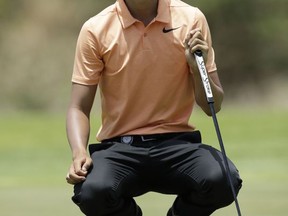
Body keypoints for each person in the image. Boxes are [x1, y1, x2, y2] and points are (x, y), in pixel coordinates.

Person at [65, 0, 242, 215]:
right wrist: (79, 152)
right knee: (92, 192)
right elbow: (79, 107)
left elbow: (213, 105)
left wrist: (197, 68)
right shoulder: (96, 28)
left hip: (177, 144)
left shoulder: (191, 18)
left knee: (224, 180)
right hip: (121, 147)